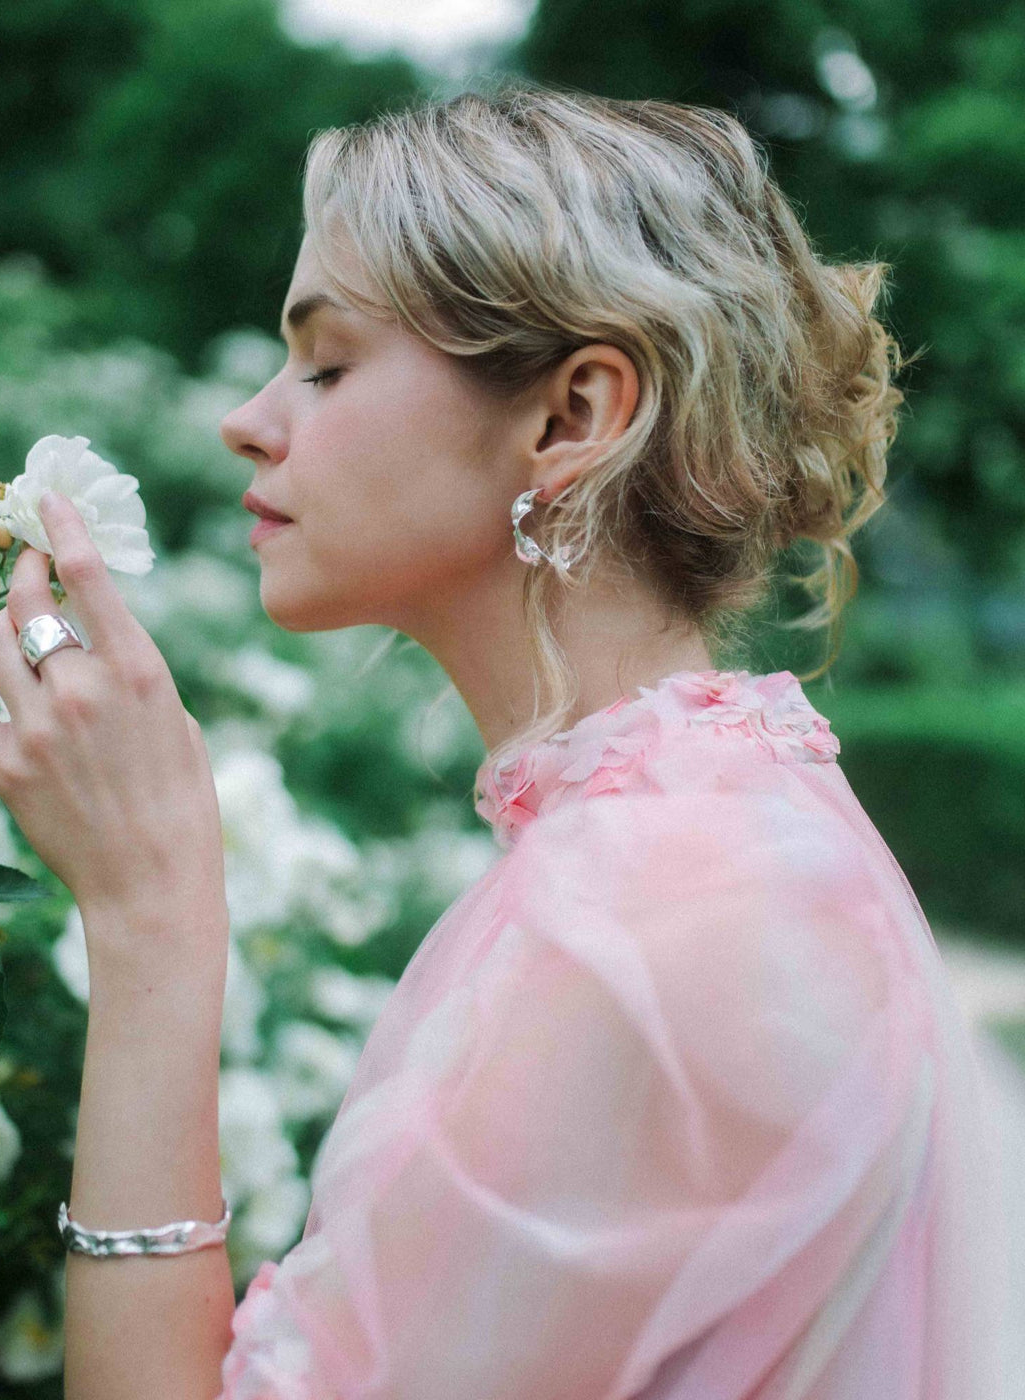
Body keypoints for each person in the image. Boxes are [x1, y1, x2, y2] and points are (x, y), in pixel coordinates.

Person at [210, 79, 1011, 1398]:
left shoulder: (654, 910)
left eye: (328, 362)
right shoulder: (710, 836)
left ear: (572, 416)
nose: (249, 417)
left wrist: (151, 926)